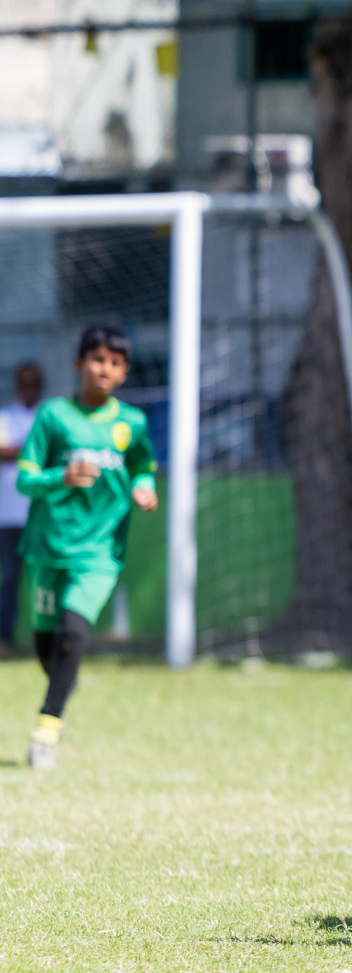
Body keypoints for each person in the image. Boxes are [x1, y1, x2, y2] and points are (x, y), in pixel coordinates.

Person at [17, 329, 157, 770]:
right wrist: (62, 477)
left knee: (74, 633)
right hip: (48, 549)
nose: (105, 369)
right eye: (97, 359)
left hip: (99, 554)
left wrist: (145, 487)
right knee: (47, 642)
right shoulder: (54, 417)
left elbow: (143, 466)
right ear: (79, 364)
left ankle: (46, 731)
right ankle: (62, 683)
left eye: (115, 363)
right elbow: (25, 479)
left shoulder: (131, 423)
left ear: (125, 371)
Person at [0, 362, 44, 655]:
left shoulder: (49, 416)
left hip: (41, 514)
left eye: (33, 382)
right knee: (11, 579)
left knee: (44, 579)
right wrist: (33, 450)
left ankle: (47, 641)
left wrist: (20, 449)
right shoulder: (5, 416)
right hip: (8, 515)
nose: (28, 388)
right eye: (23, 383)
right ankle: (5, 640)